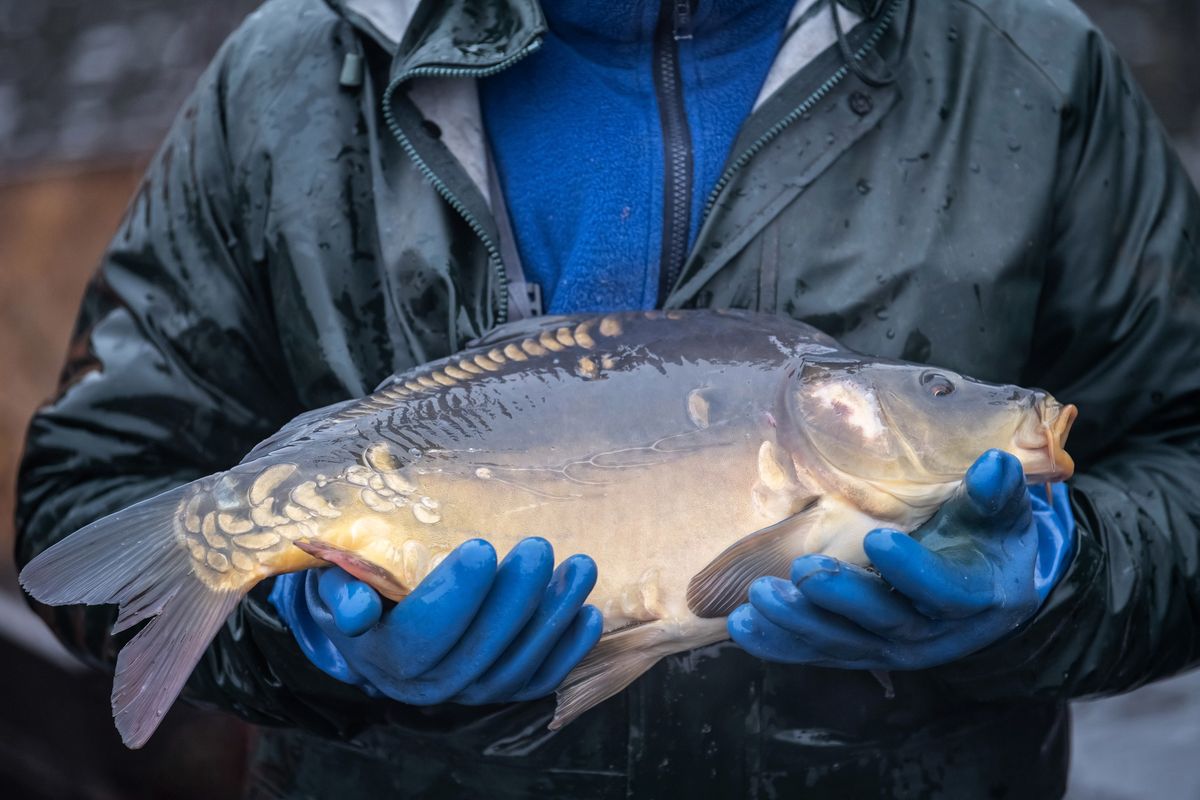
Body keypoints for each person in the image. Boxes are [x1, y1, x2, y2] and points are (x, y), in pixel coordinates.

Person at [14, 0, 1200, 796]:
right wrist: (318, 644)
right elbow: (81, 498)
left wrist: (1059, 579)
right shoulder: (285, 77)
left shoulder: (1030, 64)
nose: (974, 401)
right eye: (937, 390)